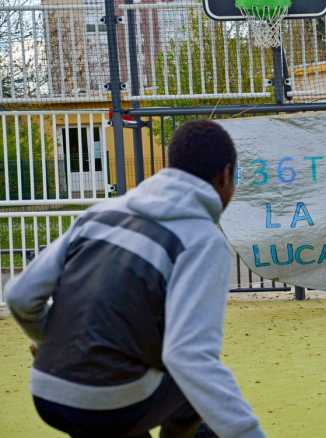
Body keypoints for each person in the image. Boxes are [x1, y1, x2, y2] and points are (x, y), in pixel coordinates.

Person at [6, 120, 265, 438]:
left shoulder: (100, 213)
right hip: (109, 401)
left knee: (140, 388)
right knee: (192, 389)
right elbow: (187, 356)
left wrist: (54, 341)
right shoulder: (202, 238)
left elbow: (20, 296)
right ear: (225, 176)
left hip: (47, 391)